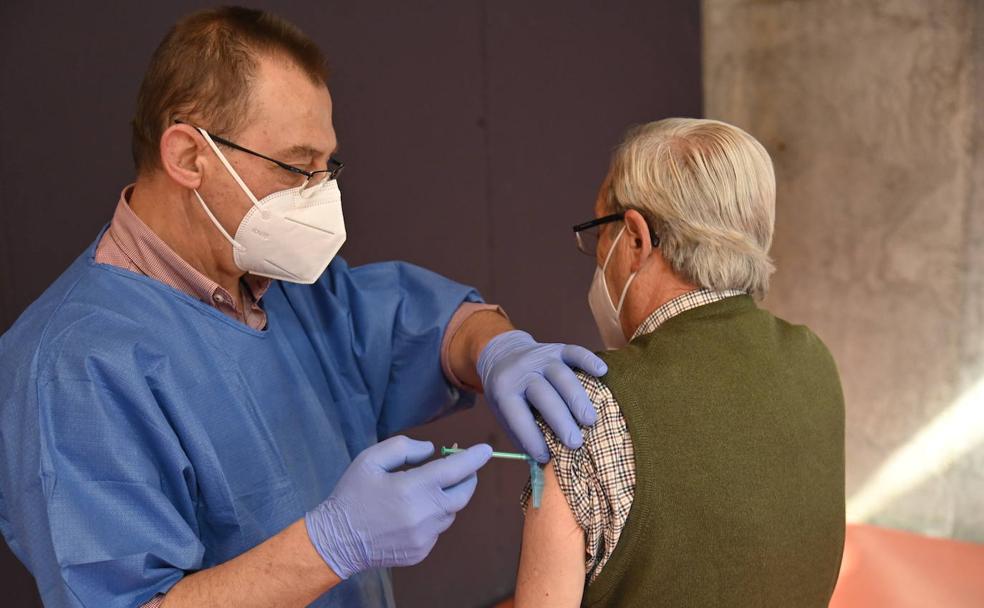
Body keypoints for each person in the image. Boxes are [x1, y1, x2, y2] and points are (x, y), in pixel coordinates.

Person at [0, 8, 608, 608]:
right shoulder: (71, 368)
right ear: (188, 156)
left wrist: (496, 350)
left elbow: (418, 322)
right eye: (297, 166)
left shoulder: (280, 288)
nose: (322, 195)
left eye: (327, 166)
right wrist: (329, 547)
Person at [514, 118, 846, 607]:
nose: (596, 253)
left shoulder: (587, 408)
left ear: (634, 239)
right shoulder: (814, 360)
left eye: (599, 231)